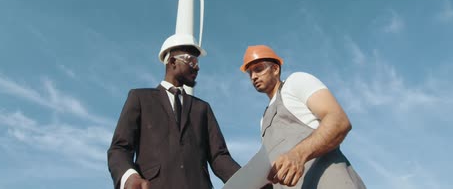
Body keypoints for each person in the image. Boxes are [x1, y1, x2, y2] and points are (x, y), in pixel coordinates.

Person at [108, 39, 240, 189]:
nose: (197, 68)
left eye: (198, 63)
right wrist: (129, 176)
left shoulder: (203, 108)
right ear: (172, 62)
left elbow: (219, 157)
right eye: (191, 61)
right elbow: (120, 148)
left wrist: (248, 181)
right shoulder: (140, 98)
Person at [240, 45, 366, 189]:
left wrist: (298, 155)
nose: (253, 76)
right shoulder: (263, 121)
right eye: (250, 73)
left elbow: (339, 121)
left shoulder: (295, 83)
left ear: (275, 69)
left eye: (259, 69)